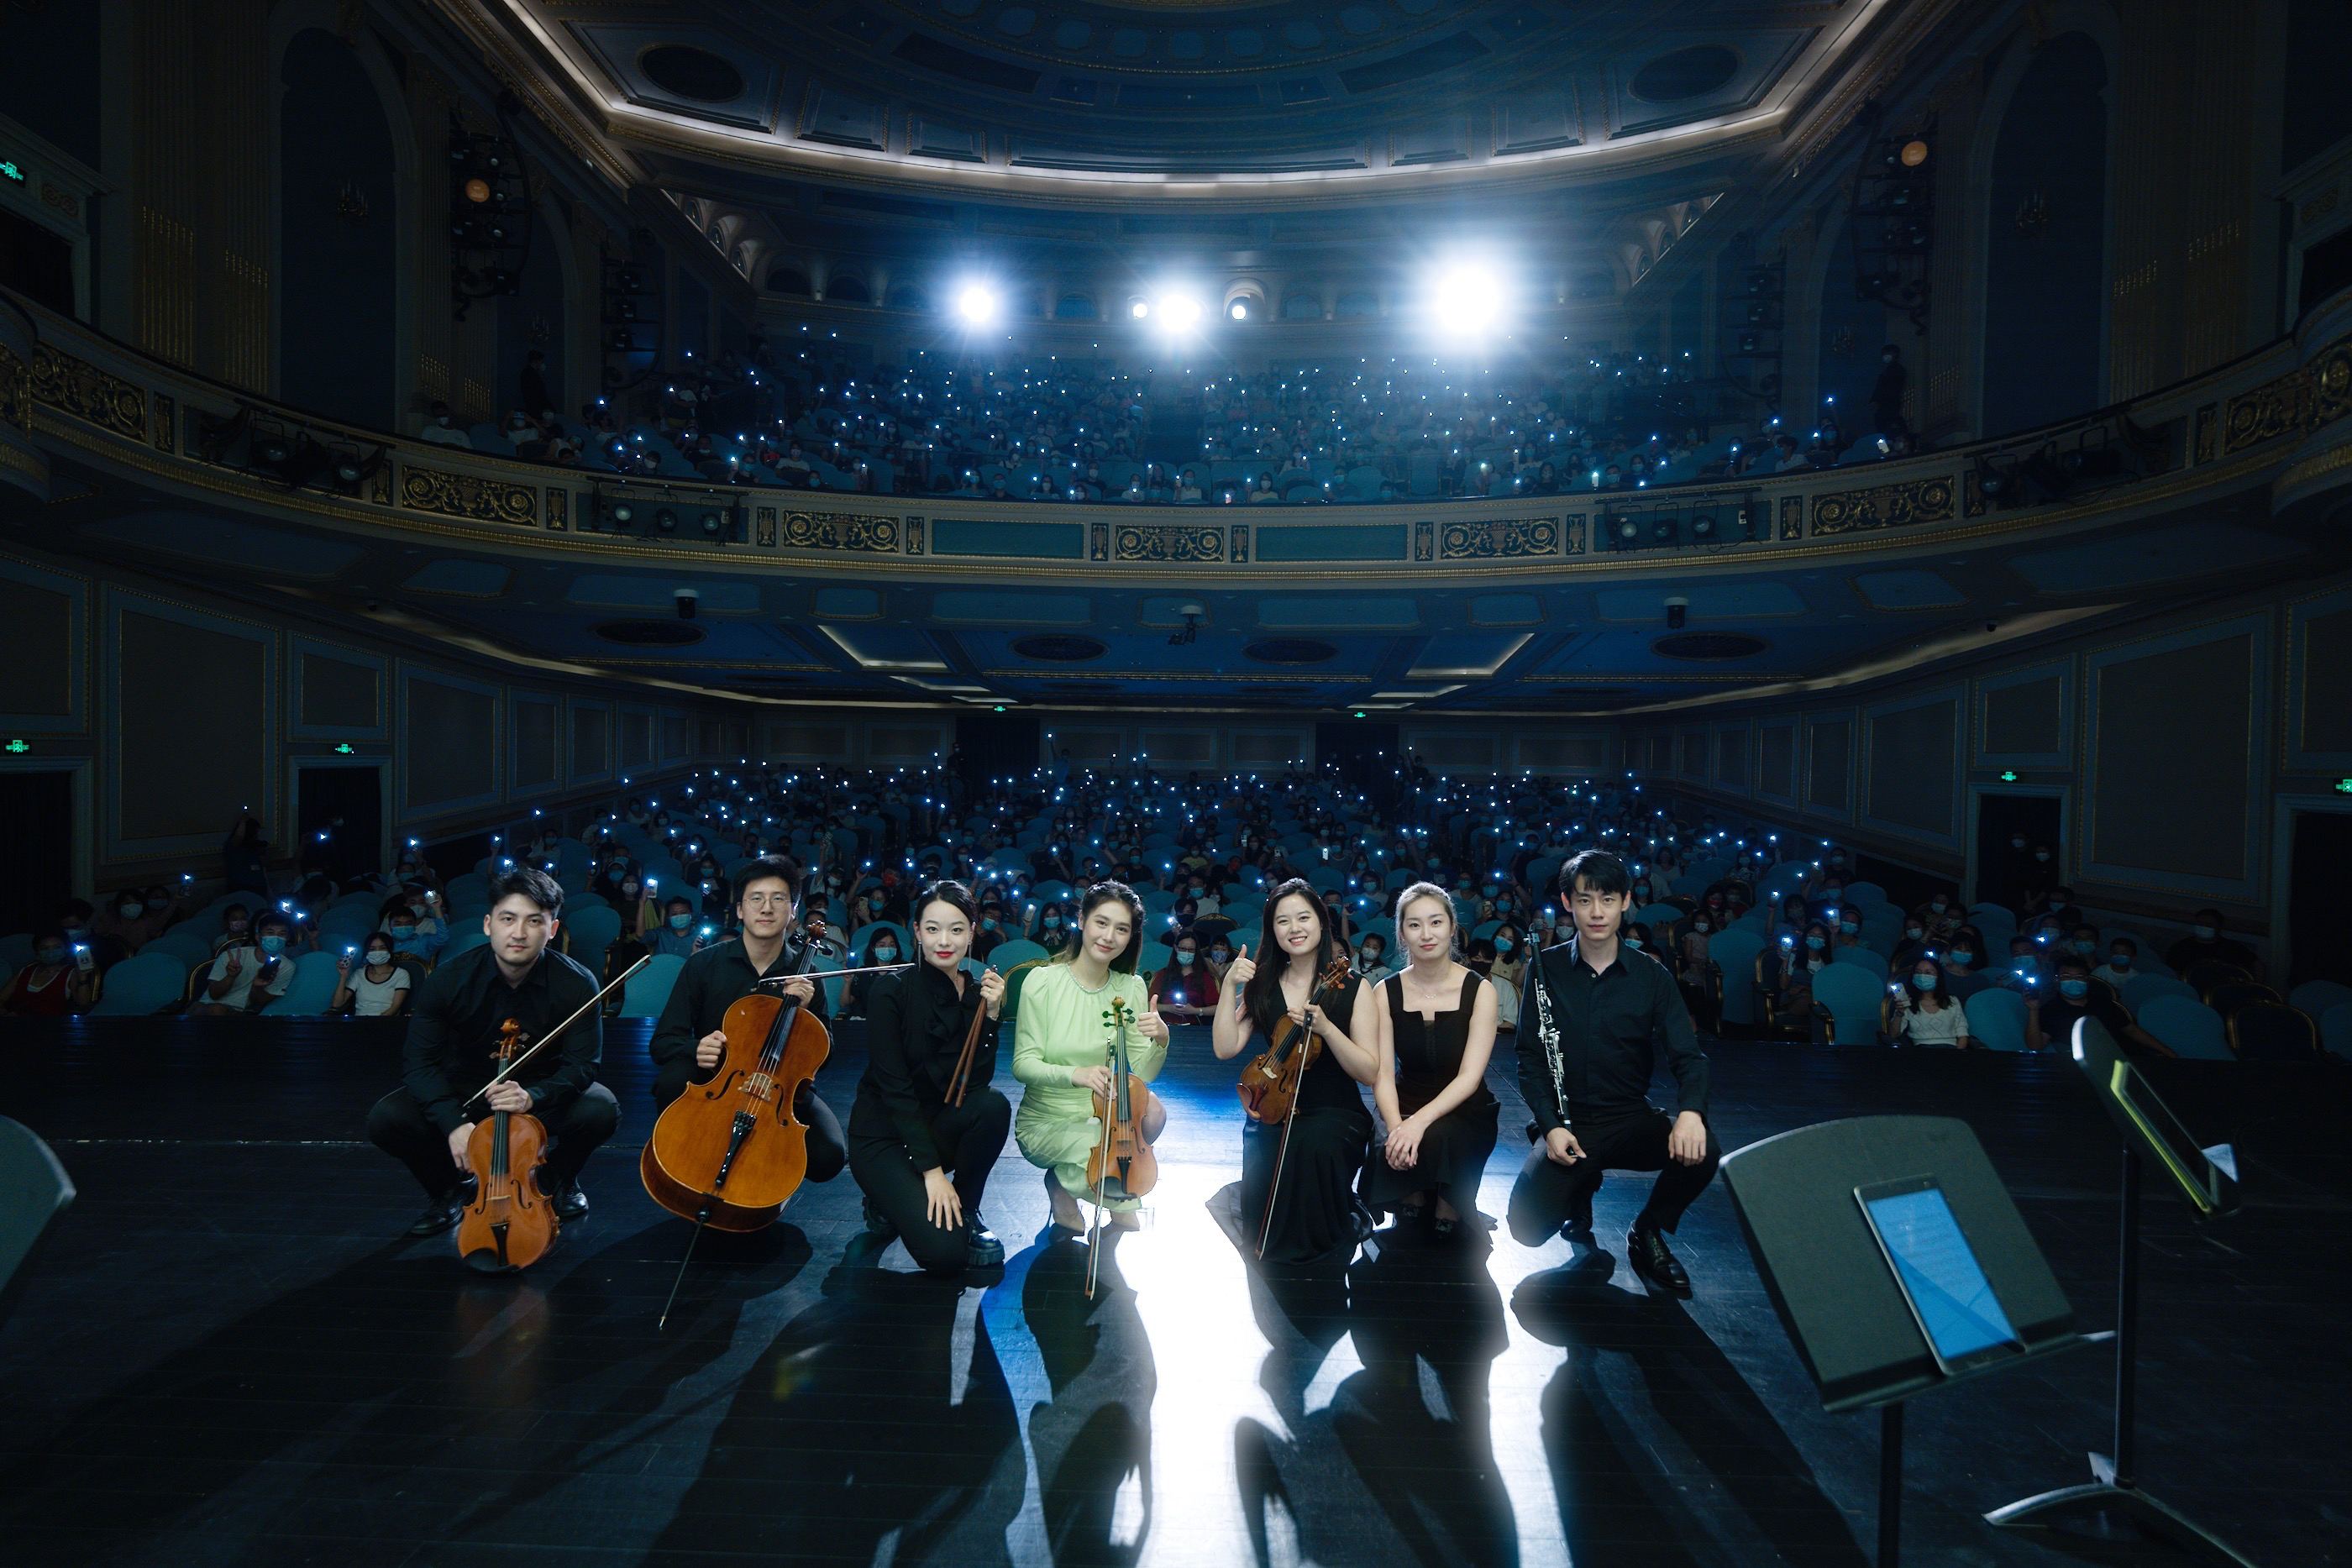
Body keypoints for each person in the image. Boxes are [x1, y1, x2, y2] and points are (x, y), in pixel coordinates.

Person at [1507, 850, 1718, 1299]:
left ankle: (1648, 1230)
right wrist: (1550, 1125)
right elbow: (1530, 1058)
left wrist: (1691, 1114)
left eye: (1607, 899)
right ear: (1568, 903)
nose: (1597, 912)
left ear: (1625, 901)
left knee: (1704, 1149)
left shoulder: (1652, 976)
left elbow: (1689, 1056)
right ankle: (1579, 1184)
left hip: (1628, 1117)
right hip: (1570, 1123)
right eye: (1585, 900)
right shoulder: (1544, 970)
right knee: (1526, 1229)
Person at [365, 868, 617, 1236]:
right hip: (467, 1091)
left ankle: (556, 1180)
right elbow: (420, 1063)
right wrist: (453, 1123)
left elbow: (582, 1066)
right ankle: (450, 1190)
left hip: (540, 1092)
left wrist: (534, 1095)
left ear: (552, 929)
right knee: (387, 1119)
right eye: (508, 919)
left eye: (534, 921)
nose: (519, 933)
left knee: (600, 1108)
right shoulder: (449, 979)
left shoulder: (577, 982)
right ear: (488, 924)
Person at [644, 855, 849, 1187]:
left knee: (829, 1156)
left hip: (779, 1088)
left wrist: (806, 1013)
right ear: (740, 909)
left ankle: (763, 1177)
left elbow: (825, 1057)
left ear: (793, 911)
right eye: (756, 899)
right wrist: (697, 1048)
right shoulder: (703, 965)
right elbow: (663, 1042)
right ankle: (688, 1165)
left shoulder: (806, 973)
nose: (766, 909)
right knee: (673, 1079)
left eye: (778, 899)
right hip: (717, 1080)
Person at [1212, 878, 1378, 1264]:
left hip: (1335, 1109)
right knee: (1265, 1182)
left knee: (1311, 1146)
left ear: (1321, 922)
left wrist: (1327, 1029)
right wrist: (1229, 986)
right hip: (1273, 1106)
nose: (1294, 928)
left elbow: (1369, 1071)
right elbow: (1225, 1047)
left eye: (1303, 917)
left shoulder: (1356, 988)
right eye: (1283, 921)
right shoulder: (1263, 985)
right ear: (1272, 930)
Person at [848, 881, 1011, 1273]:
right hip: (884, 1135)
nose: (945, 941)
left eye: (956, 929)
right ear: (917, 931)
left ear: (972, 933)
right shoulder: (890, 991)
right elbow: (895, 1090)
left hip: (936, 1125)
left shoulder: (976, 993)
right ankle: (885, 1198)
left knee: (992, 1106)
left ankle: (967, 1209)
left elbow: (975, 1085)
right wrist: (933, 1174)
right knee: (944, 1254)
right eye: (933, 929)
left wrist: (991, 1016)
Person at [1015, 882, 1170, 1233]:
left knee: (1154, 1112)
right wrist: (1077, 1074)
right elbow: (1023, 1064)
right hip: (1048, 1119)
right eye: (1102, 922)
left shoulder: (1130, 987)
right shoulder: (1042, 982)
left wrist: (1162, 1040)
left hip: (1106, 1112)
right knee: (1112, 1170)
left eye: (1122, 929)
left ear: (1131, 937)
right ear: (1082, 920)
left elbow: (1141, 1075)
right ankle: (1076, 1185)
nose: (1109, 936)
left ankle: (1076, 1181)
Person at [1363, 884, 1499, 1242]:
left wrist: (1416, 1125)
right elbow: (1382, 1073)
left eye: (1436, 922)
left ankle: (1447, 1197)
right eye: (1415, 925)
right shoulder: (1384, 992)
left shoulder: (1480, 990)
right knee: (1386, 1137)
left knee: (1442, 1134)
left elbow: (1470, 1077)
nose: (1426, 934)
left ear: (1452, 928)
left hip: (1464, 1103)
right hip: (1405, 1098)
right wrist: (1397, 1127)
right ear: (1402, 934)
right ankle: (1412, 1188)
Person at [2027, 956, 2166, 1054]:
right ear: (2057, 981)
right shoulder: (2050, 1010)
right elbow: (2036, 1045)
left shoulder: (2102, 1002)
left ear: (2087, 980)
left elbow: (2132, 1031)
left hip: (2124, 1056)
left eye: (2079, 977)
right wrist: (2033, 1010)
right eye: (2066, 977)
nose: (2073, 981)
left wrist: (2168, 1053)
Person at [192, 913, 302, 1015]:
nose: (276, 938)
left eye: (282, 934)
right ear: (258, 937)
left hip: (242, 1014)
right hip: (208, 1007)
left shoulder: (287, 967)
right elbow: (214, 995)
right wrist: (231, 977)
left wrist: (257, 987)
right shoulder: (232, 956)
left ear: (287, 938)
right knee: (216, 1010)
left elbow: (261, 1001)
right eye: (270, 933)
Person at [0, 931, 97, 1015]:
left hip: (50, 1026)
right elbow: (2, 998)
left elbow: (82, 1003)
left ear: (65, 950)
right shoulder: (26, 971)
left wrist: (82, 976)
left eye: (57, 947)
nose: (51, 952)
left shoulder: (70, 973)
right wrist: (5, 1013)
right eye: (45, 948)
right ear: (37, 953)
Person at [1889, 957, 1971, 1048]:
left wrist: (1957, 1055)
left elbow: (1963, 1035)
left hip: (1950, 1050)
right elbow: (1894, 1034)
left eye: (1928, 973)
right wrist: (1900, 1013)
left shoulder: (1952, 1001)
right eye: (1918, 972)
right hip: (1921, 1051)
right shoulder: (1908, 1001)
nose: (1922, 976)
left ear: (1938, 976)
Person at [2164, 908, 2261, 979]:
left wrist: (2256, 986)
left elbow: (2257, 964)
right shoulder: (2181, 947)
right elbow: (2168, 971)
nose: (2204, 927)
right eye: (2200, 924)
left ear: (2219, 928)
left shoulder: (2231, 947)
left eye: (2209, 925)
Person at [1148, 931, 1220, 1025]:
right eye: (1183, 949)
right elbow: (1148, 1004)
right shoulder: (1163, 974)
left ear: (1196, 951)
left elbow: (1218, 1008)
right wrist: (1168, 1008)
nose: (1186, 952)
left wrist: (1196, 1011)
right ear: (1175, 948)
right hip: (1165, 1025)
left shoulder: (1204, 977)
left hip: (1195, 1027)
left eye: (1191, 950)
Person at [333, 936, 412, 1017]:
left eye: (382, 948)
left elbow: (395, 1008)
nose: (377, 952)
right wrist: (343, 976)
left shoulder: (401, 974)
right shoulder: (359, 974)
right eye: (372, 949)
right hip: (359, 1020)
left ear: (391, 950)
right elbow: (337, 1004)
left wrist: (376, 1022)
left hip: (386, 1021)